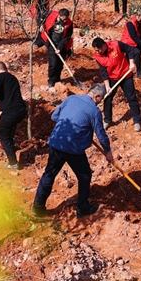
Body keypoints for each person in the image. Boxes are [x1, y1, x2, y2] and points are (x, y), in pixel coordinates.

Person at [33, 83, 113, 218]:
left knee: (49, 174)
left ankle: (37, 208)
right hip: (73, 148)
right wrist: (108, 152)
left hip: (56, 142)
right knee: (85, 175)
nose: (100, 103)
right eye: (101, 99)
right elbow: (101, 135)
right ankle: (82, 207)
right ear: (97, 96)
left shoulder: (71, 99)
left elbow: (54, 117)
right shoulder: (94, 111)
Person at [0, 62, 27, 169]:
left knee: (4, 137)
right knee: (9, 130)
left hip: (11, 113)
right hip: (20, 110)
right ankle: (11, 146)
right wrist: (2, 112)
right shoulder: (13, 78)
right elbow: (11, 97)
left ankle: (13, 163)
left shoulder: (0, 77)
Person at [92, 37, 141, 132]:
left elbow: (131, 50)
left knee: (131, 98)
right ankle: (107, 120)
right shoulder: (97, 56)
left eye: (98, 50)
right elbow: (103, 72)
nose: (97, 52)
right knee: (107, 97)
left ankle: (137, 121)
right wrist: (107, 87)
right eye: (96, 50)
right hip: (112, 78)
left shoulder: (116, 44)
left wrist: (131, 63)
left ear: (103, 46)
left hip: (125, 75)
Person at [37, 8, 73, 88]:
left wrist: (60, 48)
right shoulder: (50, 14)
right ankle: (51, 81)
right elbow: (39, 15)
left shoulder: (69, 24)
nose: (64, 21)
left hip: (62, 45)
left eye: (65, 19)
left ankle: (57, 79)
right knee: (53, 64)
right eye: (62, 19)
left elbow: (67, 37)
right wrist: (41, 24)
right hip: (51, 43)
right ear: (59, 15)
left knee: (60, 64)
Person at [120, 11, 141, 78]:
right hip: (127, 43)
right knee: (136, 53)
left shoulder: (140, 22)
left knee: (138, 53)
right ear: (136, 16)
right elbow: (133, 36)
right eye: (140, 18)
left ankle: (139, 72)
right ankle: (137, 72)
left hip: (134, 43)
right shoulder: (130, 23)